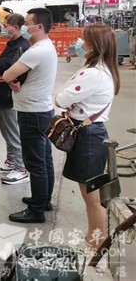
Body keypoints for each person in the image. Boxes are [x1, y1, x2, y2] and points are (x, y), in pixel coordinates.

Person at [56, 24, 120, 248]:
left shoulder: (93, 74)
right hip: (90, 132)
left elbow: (61, 99)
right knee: (89, 192)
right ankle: (94, 237)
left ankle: (97, 242)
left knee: (91, 195)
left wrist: (68, 97)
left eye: (84, 39)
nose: (80, 43)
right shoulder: (101, 69)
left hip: (89, 137)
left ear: (94, 44)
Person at [2, 8, 58, 224]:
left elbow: (7, 74)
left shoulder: (36, 51)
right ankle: (43, 200)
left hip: (32, 113)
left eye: (27, 23)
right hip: (42, 110)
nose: (24, 27)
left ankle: (36, 211)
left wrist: (10, 79)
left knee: (35, 163)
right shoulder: (47, 47)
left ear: (39, 27)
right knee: (44, 159)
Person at [0, 14, 30, 184]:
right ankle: (11, 160)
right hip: (2, 94)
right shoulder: (11, 44)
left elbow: (5, 66)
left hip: (9, 95)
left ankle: (21, 167)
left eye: (6, 25)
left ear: (15, 27)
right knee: (6, 131)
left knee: (13, 132)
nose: (4, 28)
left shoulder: (22, 46)